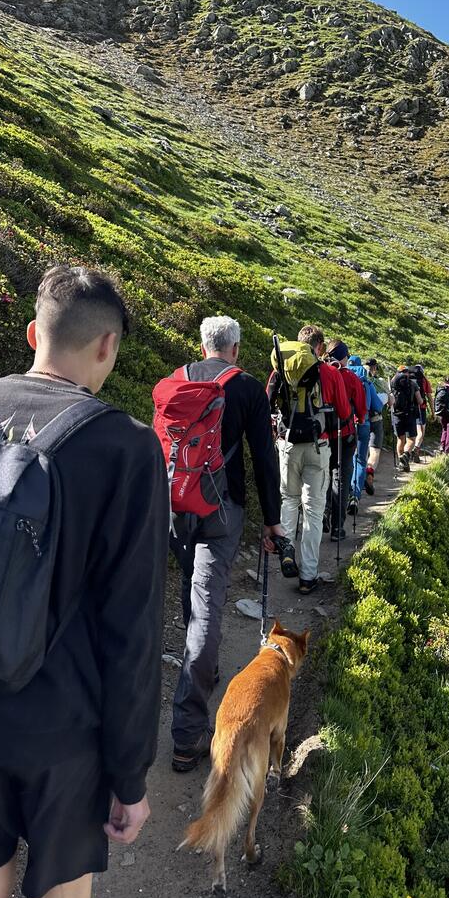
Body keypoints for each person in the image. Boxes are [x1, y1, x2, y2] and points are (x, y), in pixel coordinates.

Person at [0, 266, 169, 898]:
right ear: (107, 346)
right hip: (62, 736)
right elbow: (131, 631)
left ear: (32, 332)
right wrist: (129, 776)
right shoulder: (125, 448)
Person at [164, 317, 284, 773]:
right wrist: (271, 521)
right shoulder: (248, 388)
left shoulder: (175, 380)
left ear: (201, 345)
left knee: (193, 596)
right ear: (234, 348)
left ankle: (203, 669)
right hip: (221, 509)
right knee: (208, 605)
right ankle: (188, 731)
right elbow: (263, 458)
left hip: (177, 507)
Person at [268, 325, 350, 593]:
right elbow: (344, 412)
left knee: (289, 501)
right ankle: (308, 576)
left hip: (287, 444)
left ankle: (287, 551)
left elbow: (268, 403)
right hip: (318, 445)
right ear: (319, 348)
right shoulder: (328, 372)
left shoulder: (280, 367)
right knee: (313, 510)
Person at [324, 341, 366, 539]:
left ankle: (323, 513)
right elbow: (361, 408)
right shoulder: (350, 377)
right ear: (343, 357)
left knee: (323, 475)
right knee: (341, 478)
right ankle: (337, 528)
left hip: (323, 435)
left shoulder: (320, 372)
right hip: (345, 434)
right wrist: (361, 419)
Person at [346, 355, 383, 511]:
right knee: (360, 460)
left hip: (346, 425)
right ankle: (355, 495)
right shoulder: (366, 382)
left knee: (345, 460)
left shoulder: (342, 377)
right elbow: (378, 406)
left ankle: (344, 492)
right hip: (363, 424)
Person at [390, 364, 424, 471]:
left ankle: (402, 463)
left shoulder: (392, 383)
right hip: (410, 414)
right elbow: (419, 401)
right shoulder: (412, 383)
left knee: (400, 439)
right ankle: (405, 455)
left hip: (397, 415)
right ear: (407, 372)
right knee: (411, 439)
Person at [365, 358, 389, 495]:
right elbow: (391, 401)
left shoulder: (358, 378)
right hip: (376, 419)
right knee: (374, 451)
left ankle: (356, 480)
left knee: (360, 452)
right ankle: (370, 472)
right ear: (375, 368)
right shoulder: (381, 382)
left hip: (360, 420)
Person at [410, 363, 433, 460]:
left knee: (411, 432)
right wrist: (433, 411)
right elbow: (429, 397)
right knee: (421, 432)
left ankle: (407, 452)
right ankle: (415, 450)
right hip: (421, 408)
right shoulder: (424, 380)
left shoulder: (408, 379)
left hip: (409, 408)